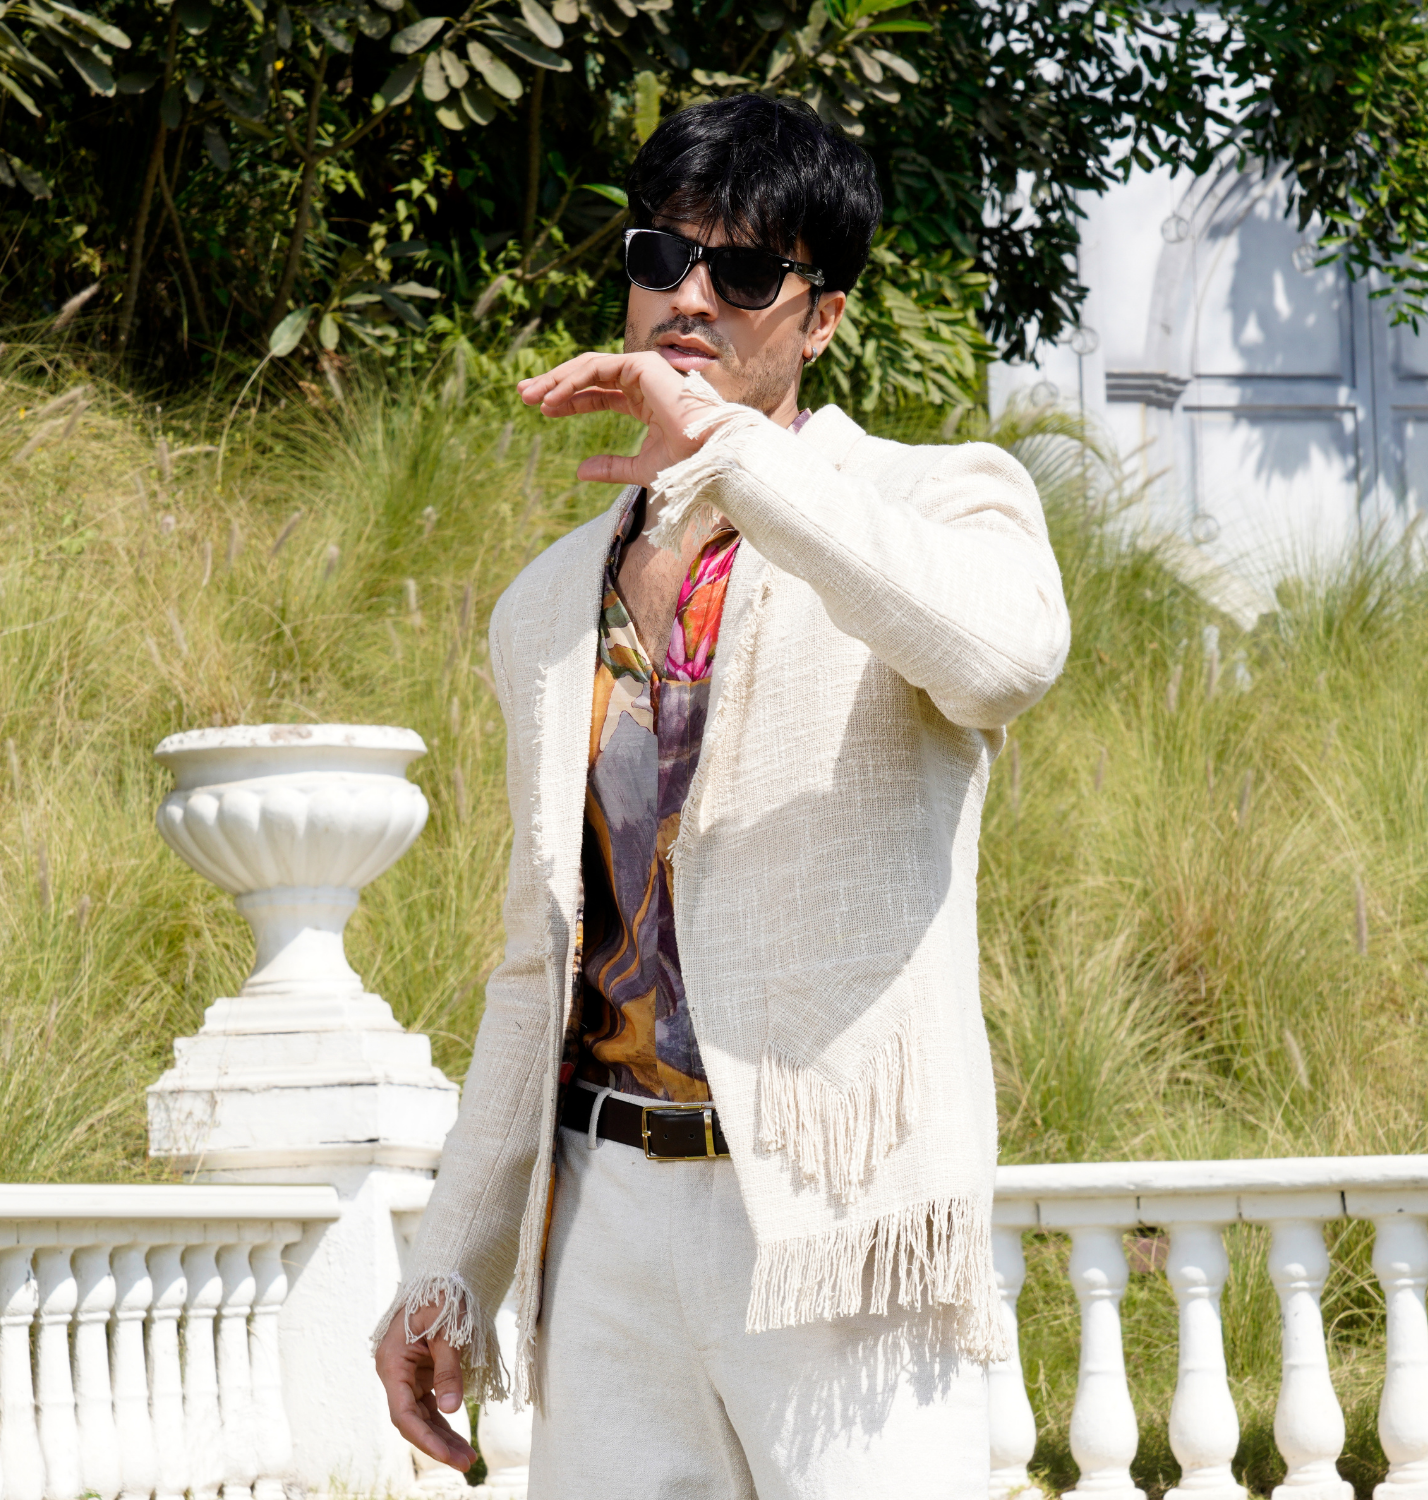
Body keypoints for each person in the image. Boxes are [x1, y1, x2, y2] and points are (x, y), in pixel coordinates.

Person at [373, 93, 1070, 1499]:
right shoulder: (546, 602)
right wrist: (450, 1266)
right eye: (663, 257)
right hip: (607, 1217)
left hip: (836, 1218)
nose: (691, 299)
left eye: (747, 273)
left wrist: (731, 457)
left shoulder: (937, 503)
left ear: (822, 320)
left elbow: (1004, 659)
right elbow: (539, 963)